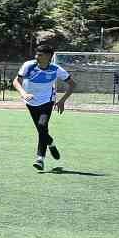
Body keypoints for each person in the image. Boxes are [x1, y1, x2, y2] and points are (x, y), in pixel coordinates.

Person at [12, 43, 76, 171]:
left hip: (47, 101)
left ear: (48, 56)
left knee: (42, 126)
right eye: (36, 54)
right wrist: (24, 93)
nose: (36, 56)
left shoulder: (56, 69)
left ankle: (40, 159)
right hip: (30, 102)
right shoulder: (28, 66)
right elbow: (16, 81)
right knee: (42, 130)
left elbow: (72, 84)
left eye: (40, 55)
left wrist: (62, 101)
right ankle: (51, 143)